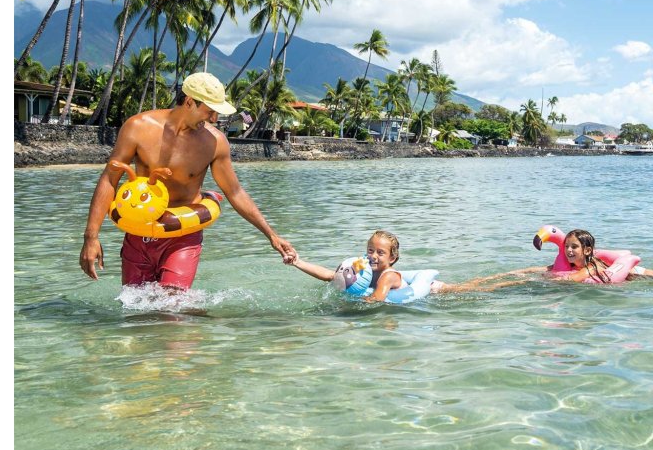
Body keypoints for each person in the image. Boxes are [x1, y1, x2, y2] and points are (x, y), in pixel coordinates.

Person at [79, 71, 297, 289]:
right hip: (139, 230)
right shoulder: (138, 127)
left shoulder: (215, 142)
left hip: (183, 236)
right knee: (134, 304)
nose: (214, 119)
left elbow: (235, 192)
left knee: (173, 303)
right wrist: (91, 237)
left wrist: (272, 235)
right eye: (210, 111)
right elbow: (110, 179)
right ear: (190, 102)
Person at [434, 228, 653, 292]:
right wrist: (499, 277)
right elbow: (533, 271)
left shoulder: (589, 269)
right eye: (567, 247)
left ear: (587, 251)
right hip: (591, 276)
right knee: (516, 276)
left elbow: (567, 281)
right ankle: (462, 286)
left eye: (574, 248)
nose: (568, 251)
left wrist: (529, 282)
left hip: (633, 274)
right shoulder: (565, 265)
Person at [291, 230, 407, 303]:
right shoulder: (364, 266)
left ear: (392, 258)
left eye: (380, 253)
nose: (373, 256)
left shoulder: (389, 276)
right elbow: (332, 276)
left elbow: (376, 299)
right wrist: (298, 262)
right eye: (370, 250)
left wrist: (349, 300)